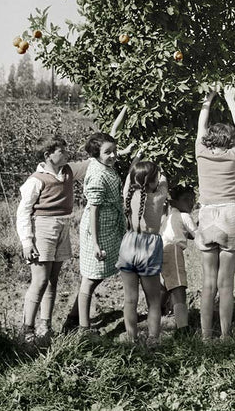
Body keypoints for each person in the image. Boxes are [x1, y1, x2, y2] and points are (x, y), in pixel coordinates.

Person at [194, 85, 235, 341]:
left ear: (208, 139)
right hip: (230, 213)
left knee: (208, 282)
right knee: (227, 283)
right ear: (230, 140)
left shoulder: (201, 153)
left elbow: (200, 126)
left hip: (207, 215)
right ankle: (226, 335)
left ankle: (205, 336)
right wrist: (230, 99)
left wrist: (209, 99)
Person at [16, 137, 74, 343]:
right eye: (61, 151)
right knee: (40, 280)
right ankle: (27, 330)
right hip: (43, 227)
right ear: (48, 155)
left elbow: (94, 162)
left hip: (63, 227)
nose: (66, 154)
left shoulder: (68, 171)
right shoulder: (36, 180)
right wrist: (27, 241)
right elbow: (23, 212)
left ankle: (45, 326)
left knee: (53, 280)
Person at [76, 132, 126, 334]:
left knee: (95, 276)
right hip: (98, 229)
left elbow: (113, 133)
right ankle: (83, 327)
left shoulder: (102, 165)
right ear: (96, 154)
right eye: (108, 152)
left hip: (108, 225)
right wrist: (96, 243)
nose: (113, 155)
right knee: (90, 278)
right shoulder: (97, 174)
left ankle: (77, 317)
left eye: (115, 151)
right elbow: (94, 211)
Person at [117, 160, 167, 344]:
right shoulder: (158, 197)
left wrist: (136, 161)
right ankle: (153, 338)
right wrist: (160, 170)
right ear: (154, 180)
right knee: (153, 300)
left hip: (129, 244)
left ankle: (132, 337)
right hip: (150, 249)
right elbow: (163, 182)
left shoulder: (128, 195)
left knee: (130, 299)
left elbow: (129, 181)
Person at [160, 184, 196, 333]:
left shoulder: (169, 217)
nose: (191, 204)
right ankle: (183, 327)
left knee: (165, 285)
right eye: (188, 200)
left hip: (160, 249)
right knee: (178, 286)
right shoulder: (184, 216)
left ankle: (158, 312)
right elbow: (197, 234)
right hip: (173, 249)